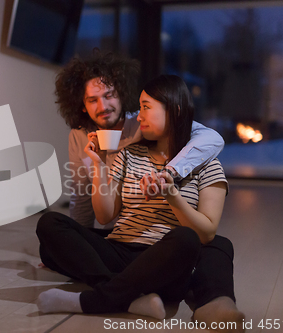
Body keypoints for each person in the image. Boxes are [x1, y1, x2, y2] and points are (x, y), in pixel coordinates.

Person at [38, 75, 245, 332]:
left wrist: (172, 195)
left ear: (175, 110)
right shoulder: (129, 153)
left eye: (146, 107)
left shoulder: (207, 163)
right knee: (50, 224)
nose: (139, 116)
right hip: (121, 250)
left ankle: (95, 299)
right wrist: (99, 164)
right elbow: (104, 216)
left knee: (189, 239)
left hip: (164, 261)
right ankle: (130, 297)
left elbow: (207, 232)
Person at [57, 51, 224, 229]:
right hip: (115, 231)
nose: (103, 106)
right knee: (55, 226)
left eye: (109, 95)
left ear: (121, 93)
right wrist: (79, 241)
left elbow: (212, 138)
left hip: (153, 229)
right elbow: (81, 196)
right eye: (92, 100)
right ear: (82, 106)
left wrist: (171, 172)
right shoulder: (79, 136)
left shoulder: (144, 124)